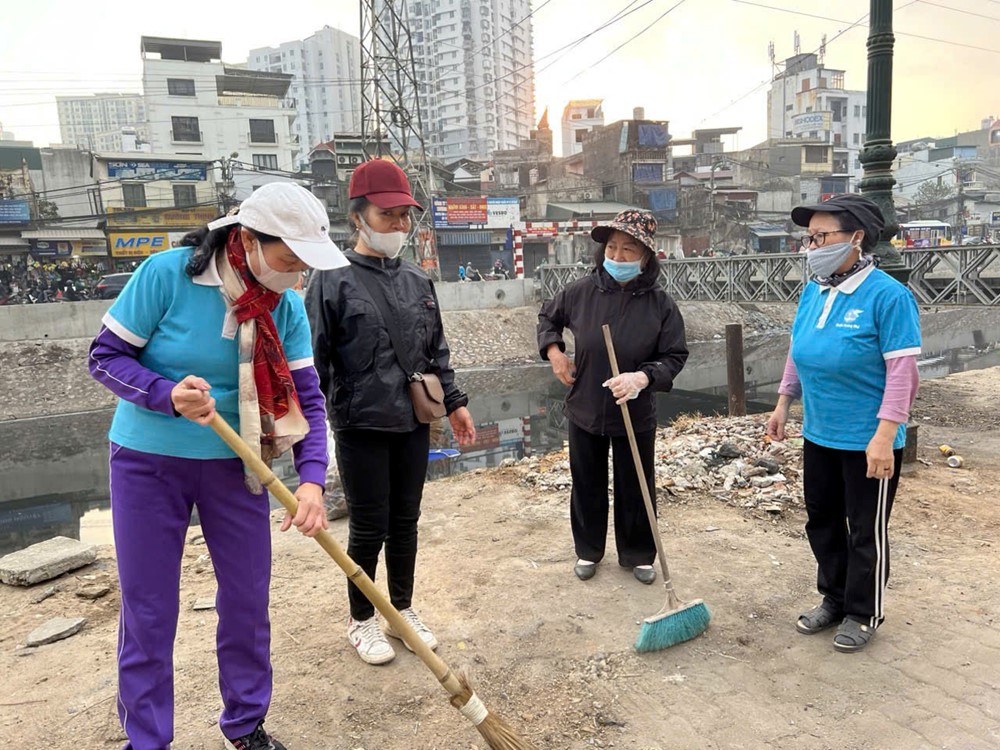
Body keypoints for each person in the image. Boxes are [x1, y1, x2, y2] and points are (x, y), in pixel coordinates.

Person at [88, 182, 346, 750]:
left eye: (306, 264)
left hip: (242, 463)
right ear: (248, 239)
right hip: (148, 462)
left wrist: (310, 482)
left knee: (248, 601)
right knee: (149, 609)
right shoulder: (167, 275)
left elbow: (307, 395)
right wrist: (165, 393)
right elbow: (103, 358)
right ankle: (147, 740)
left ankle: (245, 725)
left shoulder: (287, 304)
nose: (298, 274)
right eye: (289, 258)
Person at [306, 159, 477, 666]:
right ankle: (361, 621)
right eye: (389, 215)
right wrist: (310, 427)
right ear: (358, 215)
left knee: (407, 520)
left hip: (413, 421)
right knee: (367, 524)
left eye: (406, 216)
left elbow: (435, 352)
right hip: (360, 423)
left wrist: (456, 402)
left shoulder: (417, 279)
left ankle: (400, 611)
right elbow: (314, 360)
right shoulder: (329, 280)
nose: (400, 226)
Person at [766, 193, 921, 653]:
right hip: (820, 432)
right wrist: (782, 403)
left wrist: (885, 436)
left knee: (864, 528)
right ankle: (833, 597)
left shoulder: (889, 297)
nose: (811, 246)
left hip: (867, 439)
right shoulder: (815, 289)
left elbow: (902, 372)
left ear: (856, 237)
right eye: (809, 238)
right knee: (823, 521)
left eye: (821, 236)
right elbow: (799, 349)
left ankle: (863, 611)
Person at [537, 209, 688, 585]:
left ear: (647, 256)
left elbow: (674, 356)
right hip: (586, 404)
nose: (618, 257)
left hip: (634, 410)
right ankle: (588, 550)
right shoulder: (580, 292)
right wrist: (555, 352)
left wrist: (643, 377)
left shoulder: (661, 305)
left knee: (635, 482)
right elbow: (547, 318)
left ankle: (637, 554)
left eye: (628, 250)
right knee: (586, 481)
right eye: (612, 248)